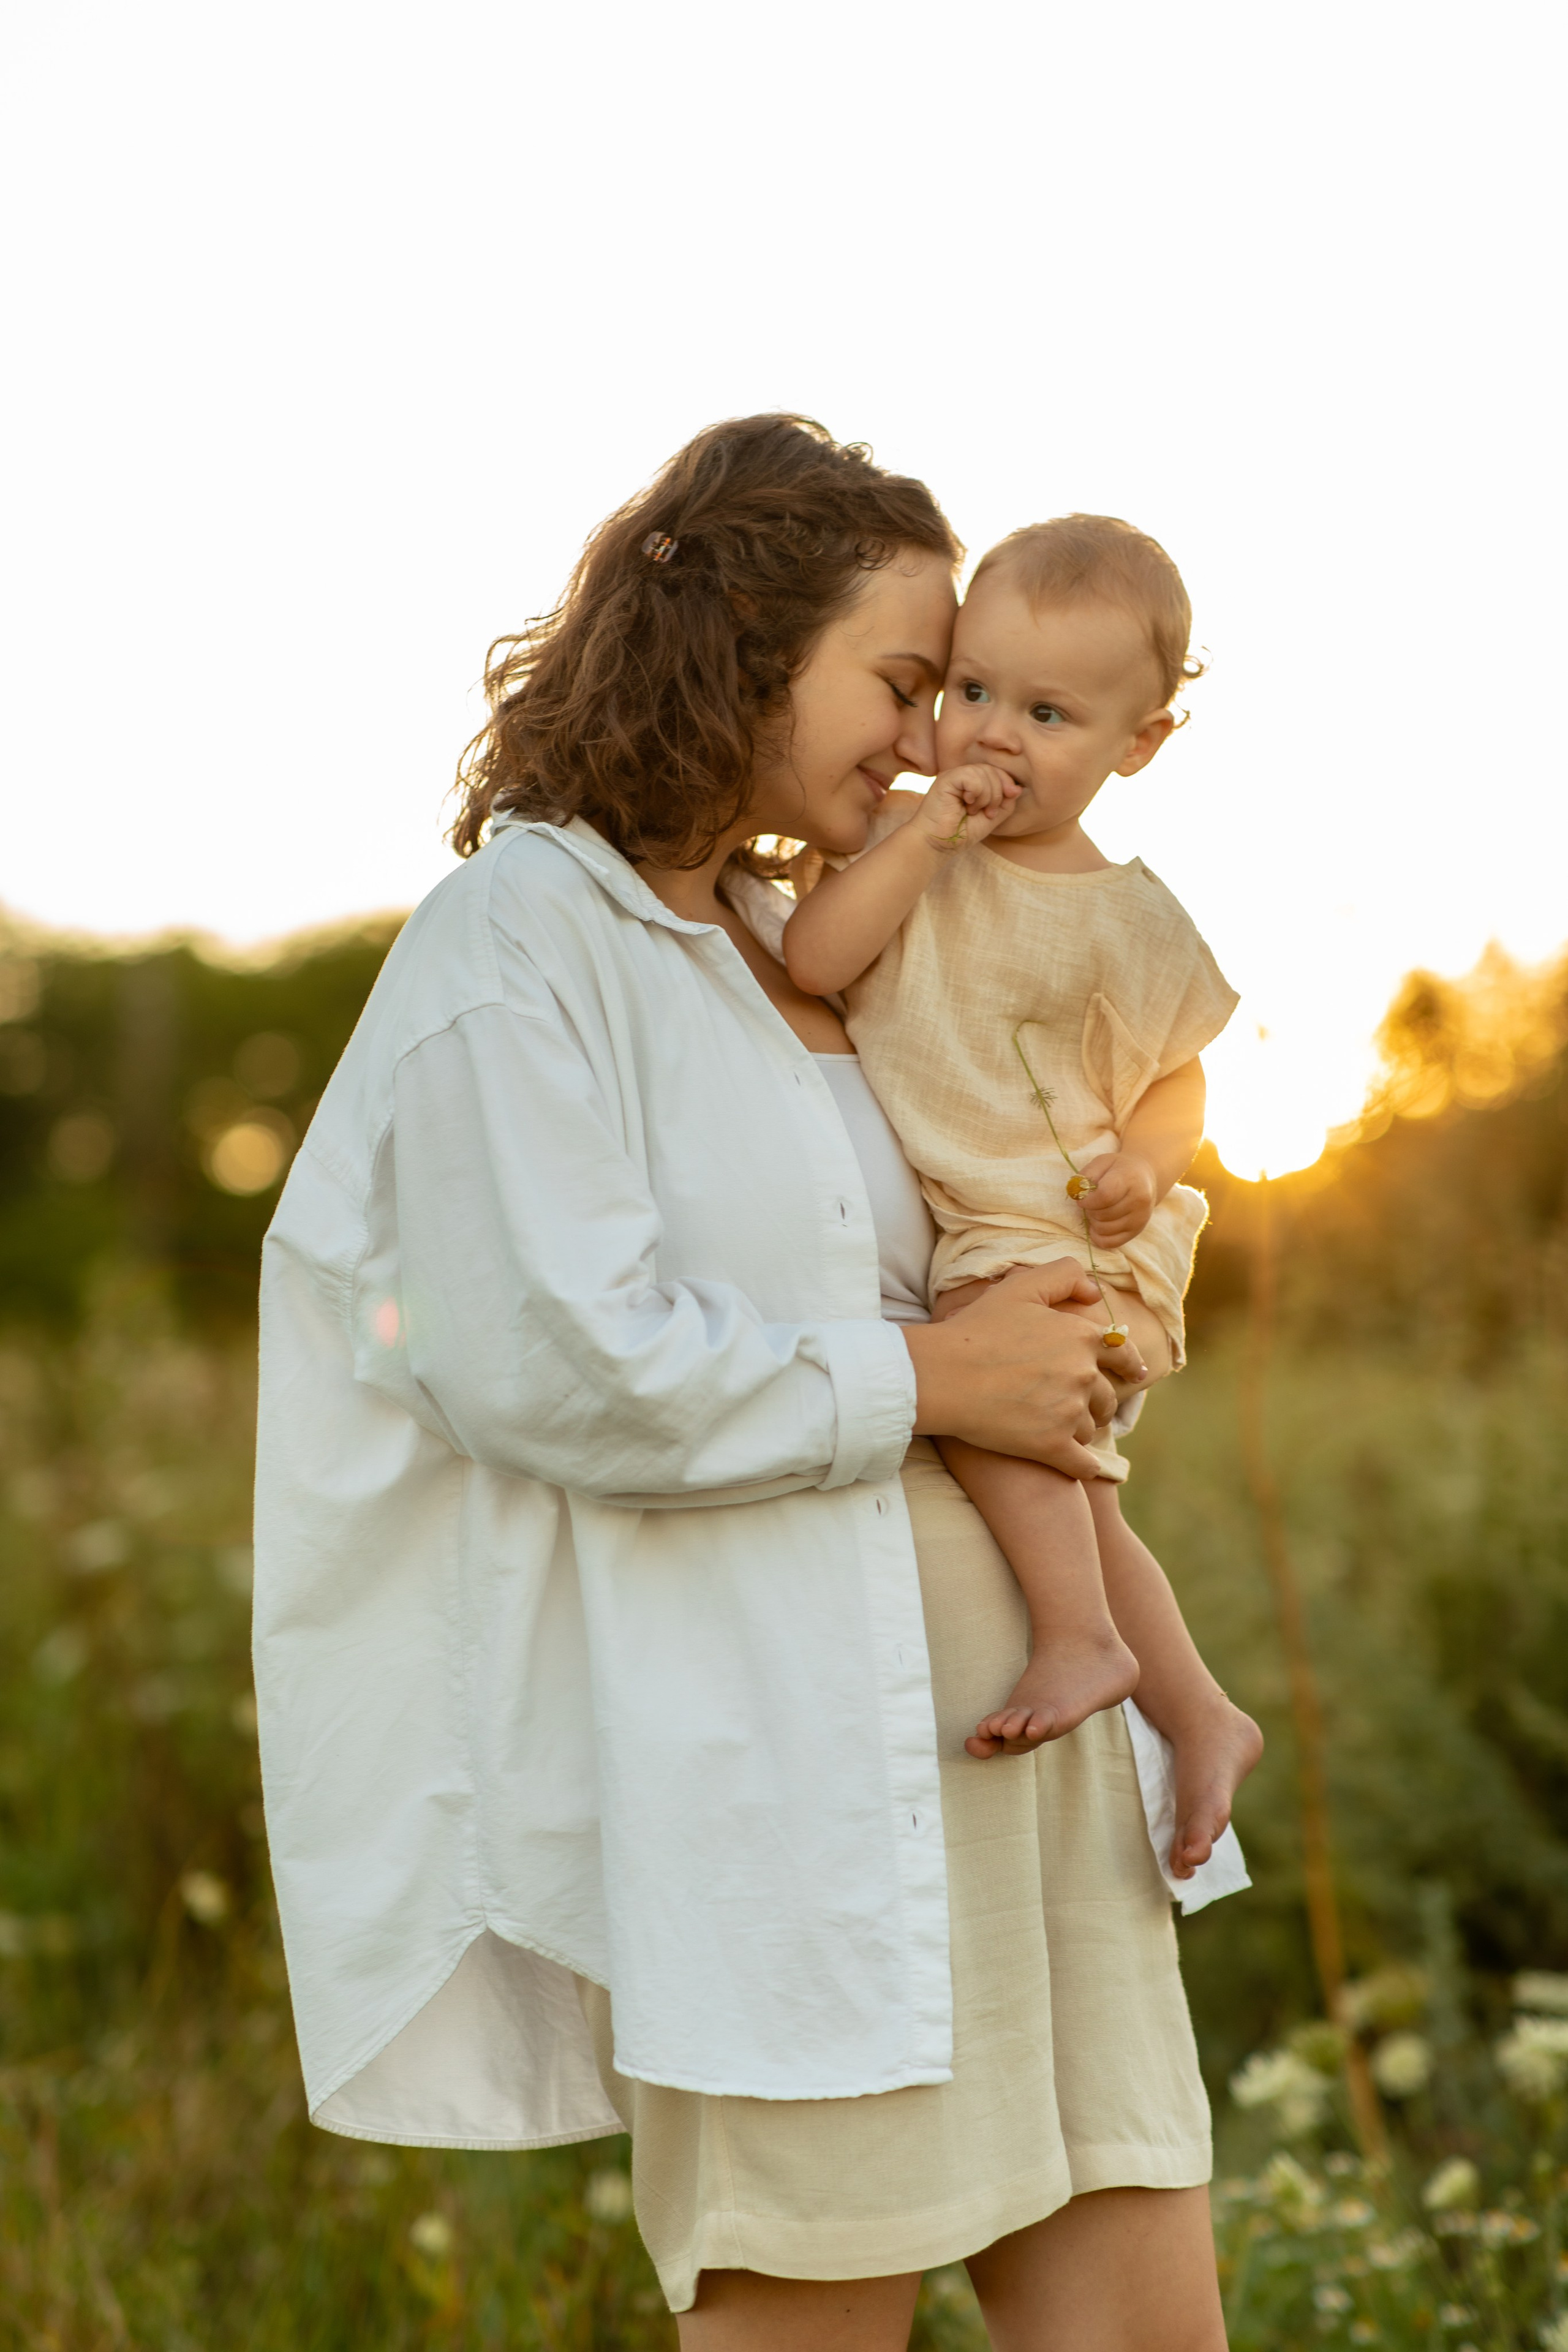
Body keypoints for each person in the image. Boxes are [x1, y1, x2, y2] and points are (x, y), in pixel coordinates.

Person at [253, 417, 1237, 2351]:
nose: (927, 732)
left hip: (1033, 1758)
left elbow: (991, 1248)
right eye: (902, 677)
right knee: (810, 2313)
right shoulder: (517, 945)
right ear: (739, 641)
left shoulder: (804, 938)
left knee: (1141, 2320)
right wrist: (943, 1373)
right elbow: (549, 1363)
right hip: (790, 1776)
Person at [783, 516, 1263, 1877]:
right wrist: (921, 840)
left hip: (1070, 1234)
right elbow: (819, 955)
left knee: (989, 1396)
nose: (989, 735)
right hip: (996, 1227)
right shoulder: (900, 842)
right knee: (1083, 1500)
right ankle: (1198, 1708)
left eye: (1045, 713)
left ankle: (1080, 1642)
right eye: (969, 691)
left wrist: (1151, 1164)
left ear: (1136, 744)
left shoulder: (1133, 916)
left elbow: (1181, 1082)